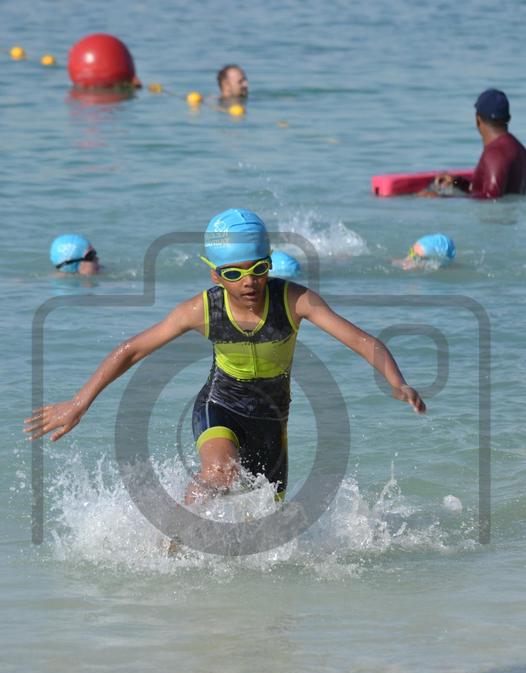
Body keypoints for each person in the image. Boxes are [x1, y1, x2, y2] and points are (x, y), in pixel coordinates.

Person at [27, 209, 425, 506]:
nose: (249, 282)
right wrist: (79, 403)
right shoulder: (201, 310)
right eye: (234, 274)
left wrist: (397, 381)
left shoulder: (294, 301)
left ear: (270, 264)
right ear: (216, 275)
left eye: (259, 269)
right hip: (220, 404)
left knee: (263, 523)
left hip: (272, 420)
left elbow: (363, 341)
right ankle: (173, 549)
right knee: (219, 475)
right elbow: (130, 350)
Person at [431, 89, 526, 199]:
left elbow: (491, 197)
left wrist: (440, 197)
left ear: (478, 120)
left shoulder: (495, 153)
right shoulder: (520, 149)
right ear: (509, 118)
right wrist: (457, 182)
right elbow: (489, 191)